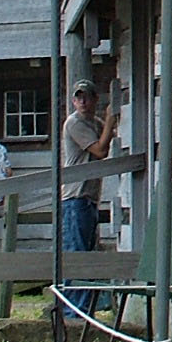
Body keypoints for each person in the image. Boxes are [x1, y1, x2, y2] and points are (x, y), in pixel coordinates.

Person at [61, 79, 120, 254]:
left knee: (87, 250)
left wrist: (109, 125)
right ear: (73, 101)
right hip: (76, 196)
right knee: (76, 254)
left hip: (90, 196)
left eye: (86, 97)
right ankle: (71, 282)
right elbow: (100, 150)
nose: (82, 102)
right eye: (78, 98)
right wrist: (110, 122)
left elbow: (107, 142)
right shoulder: (74, 123)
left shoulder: (95, 123)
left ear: (95, 99)